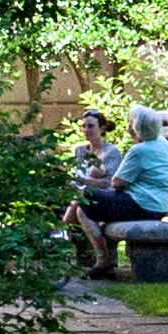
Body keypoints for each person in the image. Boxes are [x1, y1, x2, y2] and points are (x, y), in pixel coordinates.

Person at [58, 109, 128, 274]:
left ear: (102, 129)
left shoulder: (112, 152)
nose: (86, 130)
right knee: (75, 201)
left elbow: (110, 184)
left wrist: (81, 183)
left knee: (80, 200)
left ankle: (61, 238)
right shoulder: (80, 151)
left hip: (106, 197)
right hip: (81, 195)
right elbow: (78, 177)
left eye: (90, 126)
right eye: (83, 126)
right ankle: (97, 260)